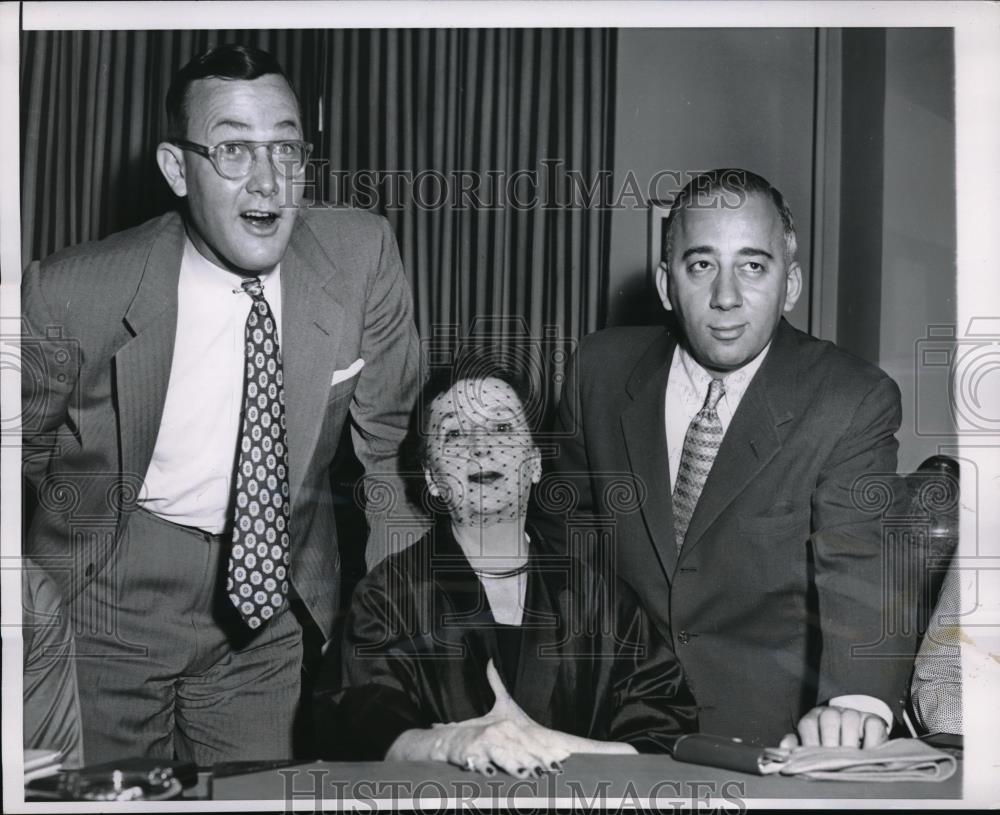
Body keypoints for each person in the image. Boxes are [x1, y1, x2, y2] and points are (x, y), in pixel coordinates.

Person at [21, 44, 420, 764]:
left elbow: (392, 458)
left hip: (270, 605)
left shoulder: (361, 259)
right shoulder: (73, 291)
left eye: (287, 148)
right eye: (233, 149)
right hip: (109, 592)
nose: (268, 182)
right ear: (178, 168)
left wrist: (404, 633)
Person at [536, 168, 915, 749]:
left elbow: (862, 562)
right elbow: (565, 548)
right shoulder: (598, 371)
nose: (727, 297)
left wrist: (854, 702)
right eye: (702, 264)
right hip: (604, 727)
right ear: (667, 284)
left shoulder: (851, 397)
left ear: (790, 285)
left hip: (770, 743)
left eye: (753, 265)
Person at [323, 366, 697, 775]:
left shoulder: (605, 604)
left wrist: (548, 743)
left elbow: (668, 743)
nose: (481, 448)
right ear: (432, 479)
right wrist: (454, 743)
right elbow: (358, 733)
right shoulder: (385, 598)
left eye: (501, 428)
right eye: (454, 435)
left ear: (535, 464)